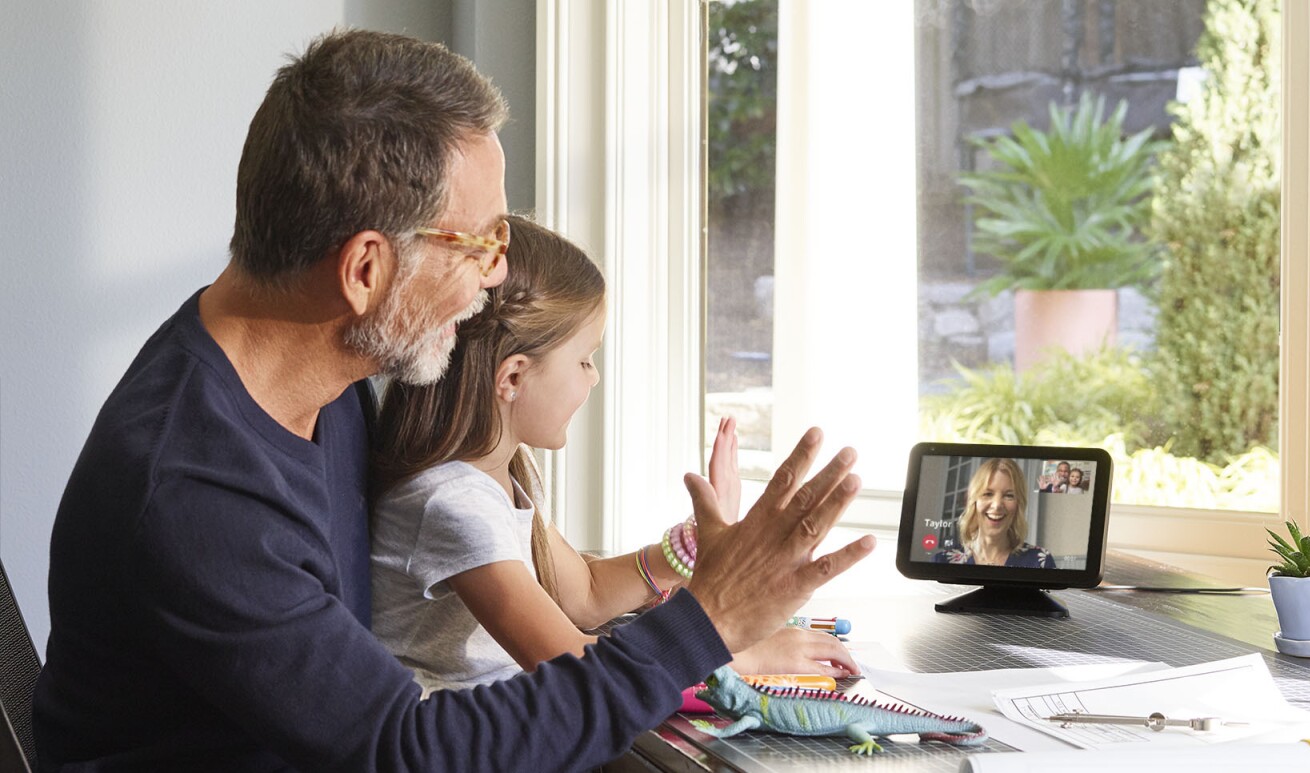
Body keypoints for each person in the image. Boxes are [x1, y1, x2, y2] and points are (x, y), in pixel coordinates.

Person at [33, 29, 873, 772]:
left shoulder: (322, 387)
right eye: (483, 242)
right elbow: (408, 748)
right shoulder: (195, 488)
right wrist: (710, 622)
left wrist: (684, 585)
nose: (499, 272)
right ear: (366, 271)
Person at [368, 218, 857, 695]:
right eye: (584, 359)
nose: (593, 377)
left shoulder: (503, 472)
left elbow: (584, 595)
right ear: (513, 377)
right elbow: (573, 665)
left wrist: (693, 545)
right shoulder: (453, 502)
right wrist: (741, 653)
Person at [932, 458, 1056, 569]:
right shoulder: (942, 562)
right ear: (974, 501)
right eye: (987, 494)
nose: (996, 505)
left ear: (1019, 504)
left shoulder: (1040, 561)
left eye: (1009, 496)